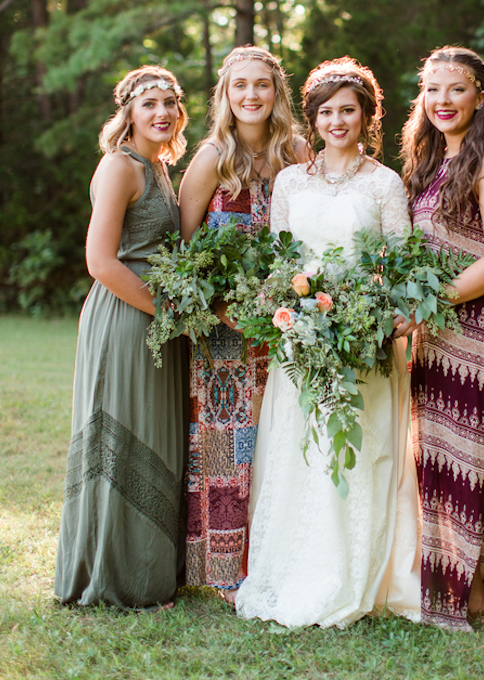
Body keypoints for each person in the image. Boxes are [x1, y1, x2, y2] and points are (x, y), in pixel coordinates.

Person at [236, 57, 421, 628]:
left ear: (368, 116)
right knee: (302, 451)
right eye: (326, 112)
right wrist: (290, 312)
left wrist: (376, 317)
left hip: (365, 343)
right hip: (302, 340)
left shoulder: (385, 183)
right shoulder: (291, 181)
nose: (337, 121)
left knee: (360, 450)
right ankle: (291, 568)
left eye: (349, 110)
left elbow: (402, 263)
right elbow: (280, 262)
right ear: (312, 118)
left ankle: (355, 572)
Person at [401, 45, 484, 631]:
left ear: (480, 95)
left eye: (455, 89)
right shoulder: (429, 165)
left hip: (475, 334)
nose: (442, 101)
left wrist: (427, 306)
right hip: (432, 336)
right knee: (436, 456)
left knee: (473, 457)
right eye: (432, 89)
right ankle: (453, 580)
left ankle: (480, 586)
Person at [55, 66, 189, 610]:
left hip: (156, 321)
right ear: (128, 112)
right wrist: (166, 312)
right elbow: (99, 260)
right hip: (127, 317)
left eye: (170, 103)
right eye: (149, 103)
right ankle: (111, 574)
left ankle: (151, 571)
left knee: (155, 436)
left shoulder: (156, 167)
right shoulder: (119, 167)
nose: (161, 112)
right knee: (122, 436)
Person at [178, 45, 307, 604]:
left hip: (285, 328)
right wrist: (220, 307)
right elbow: (182, 252)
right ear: (226, 96)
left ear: (276, 92)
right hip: (225, 334)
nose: (251, 95)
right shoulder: (211, 158)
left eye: (262, 85)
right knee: (227, 443)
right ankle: (227, 569)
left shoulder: (297, 153)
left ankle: (283, 556)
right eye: (240, 86)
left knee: (281, 441)